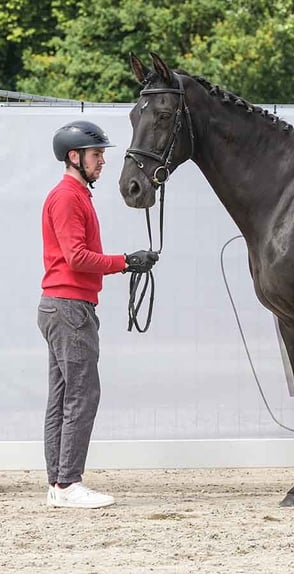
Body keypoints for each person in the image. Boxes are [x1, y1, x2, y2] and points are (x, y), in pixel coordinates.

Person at [38, 120, 159, 508]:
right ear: (74, 157)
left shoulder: (75, 195)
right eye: (96, 155)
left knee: (62, 396)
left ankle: (58, 484)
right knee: (82, 395)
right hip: (70, 307)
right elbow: (76, 257)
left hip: (63, 306)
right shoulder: (68, 197)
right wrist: (126, 261)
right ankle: (68, 484)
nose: (103, 161)